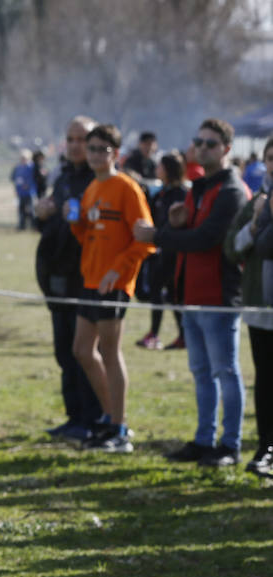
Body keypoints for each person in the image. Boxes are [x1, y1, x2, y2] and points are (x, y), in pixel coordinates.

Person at [136, 118, 248, 466]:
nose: (202, 147)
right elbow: (190, 231)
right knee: (201, 372)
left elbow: (205, 239)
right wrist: (174, 223)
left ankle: (229, 445)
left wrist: (158, 236)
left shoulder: (230, 190)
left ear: (227, 149)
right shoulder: (198, 187)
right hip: (192, 293)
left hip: (218, 294)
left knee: (225, 372)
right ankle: (203, 439)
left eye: (211, 143)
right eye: (198, 141)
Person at [69, 123, 155, 453]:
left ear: (115, 154)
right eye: (90, 149)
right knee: (81, 350)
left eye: (101, 150)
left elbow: (144, 242)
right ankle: (110, 415)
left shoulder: (127, 188)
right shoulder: (92, 188)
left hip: (114, 283)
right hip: (90, 279)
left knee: (109, 351)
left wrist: (117, 271)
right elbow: (88, 235)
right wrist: (76, 222)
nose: (93, 155)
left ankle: (119, 427)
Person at [35, 116, 103, 440]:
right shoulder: (63, 177)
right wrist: (43, 214)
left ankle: (94, 419)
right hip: (57, 277)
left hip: (87, 279)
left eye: (83, 139)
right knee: (64, 351)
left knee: (84, 353)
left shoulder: (100, 181)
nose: (77, 146)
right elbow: (51, 228)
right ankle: (74, 416)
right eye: (71, 139)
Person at [225, 138, 273, 476]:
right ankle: (266, 447)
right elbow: (231, 249)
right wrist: (255, 223)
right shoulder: (256, 203)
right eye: (271, 158)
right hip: (261, 307)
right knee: (267, 378)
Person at [137, 153, 189, 350]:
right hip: (159, 250)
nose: (157, 170)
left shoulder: (182, 194)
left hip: (174, 252)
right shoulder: (161, 193)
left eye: (160, 166)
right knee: (158, 291)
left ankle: (179, 335)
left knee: (174, 295)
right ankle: (156, 333)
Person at [12, 152, 36, 231]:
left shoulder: (31, 167)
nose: (23, 160)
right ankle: (22, 225)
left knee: (31, 209)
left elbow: (34, 178)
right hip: (20, 193)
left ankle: (33, 225)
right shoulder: (18, 168)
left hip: (29, 192)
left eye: (25, 158)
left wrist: (28, 184)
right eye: (22, 158)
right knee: (21, 210)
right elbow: (14, 178)